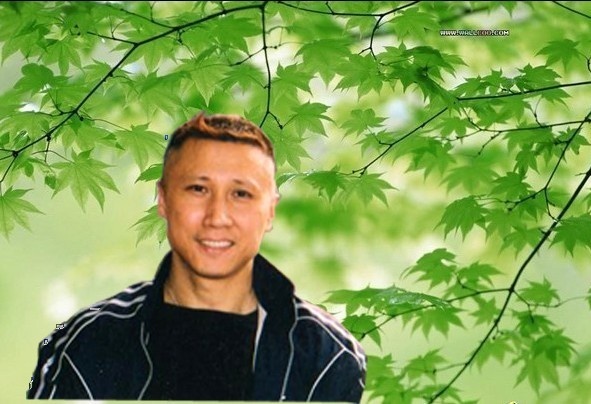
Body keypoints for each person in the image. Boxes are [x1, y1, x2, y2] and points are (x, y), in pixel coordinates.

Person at [27, 112, 366, 402]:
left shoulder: (327, 355)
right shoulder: (88, 342)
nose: (217, 216)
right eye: (198, 189)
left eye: (241, 194)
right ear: (163, 199)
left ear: (270, 211)